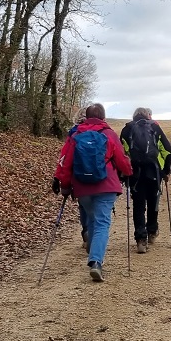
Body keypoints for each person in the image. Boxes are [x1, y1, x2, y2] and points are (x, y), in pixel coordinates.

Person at [54, 103, 132, 282]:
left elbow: (65, 161)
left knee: (92, 217)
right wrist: (128, 173)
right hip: (106, 185)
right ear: (103, 117)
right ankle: (96, 262)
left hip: (82, 186)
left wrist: (64, 184)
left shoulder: (75, 135)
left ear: (86, 116)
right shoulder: (109, 134)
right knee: (102, 222)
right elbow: (121, 159)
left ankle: (91, 243)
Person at [120, 107, 171, 254]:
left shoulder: (126, 130)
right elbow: (168, 151)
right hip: (153, 172)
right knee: (153, 202)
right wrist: (166, 171)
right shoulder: (155, 127)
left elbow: (123, 154)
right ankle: (152, 231)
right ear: (147, 116)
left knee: (138, 205)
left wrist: (123, 174)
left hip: (135, 174)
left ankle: (140, 239)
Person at [52, 114, 90, 248]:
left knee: (83, 205)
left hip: (78, 177)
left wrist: (59, 178)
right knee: (96, 205)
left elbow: (64, 158)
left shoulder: (74, 134)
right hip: (99, 177)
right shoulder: (101, 132)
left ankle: (86, 231)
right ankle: (95, 234)